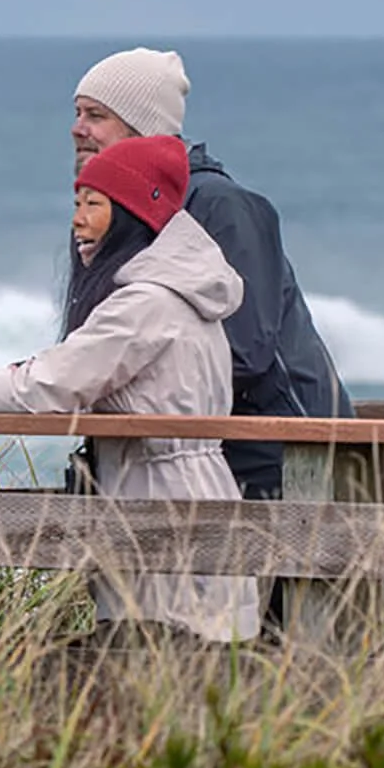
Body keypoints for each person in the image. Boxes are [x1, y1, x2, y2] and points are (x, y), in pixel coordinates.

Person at [0, 135, 260, 645]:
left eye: (93, 204)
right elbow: (66, 370)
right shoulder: (178, 297)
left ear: (133, 214)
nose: (77, 220)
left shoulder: (145, 304)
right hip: (188, 488)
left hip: (161, 498)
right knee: (202, 652)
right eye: (76, 203)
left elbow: (53, 383)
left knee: (160, 651)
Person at [67, 47, 353, 501]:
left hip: (286, 457)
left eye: (96, 115)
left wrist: (100, 379)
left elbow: (243, 352)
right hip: (166, 465)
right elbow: (89, 344)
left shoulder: (221, 205)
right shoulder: (103, 215)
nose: (77, 128)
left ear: (144, 127)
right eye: (78, 113)